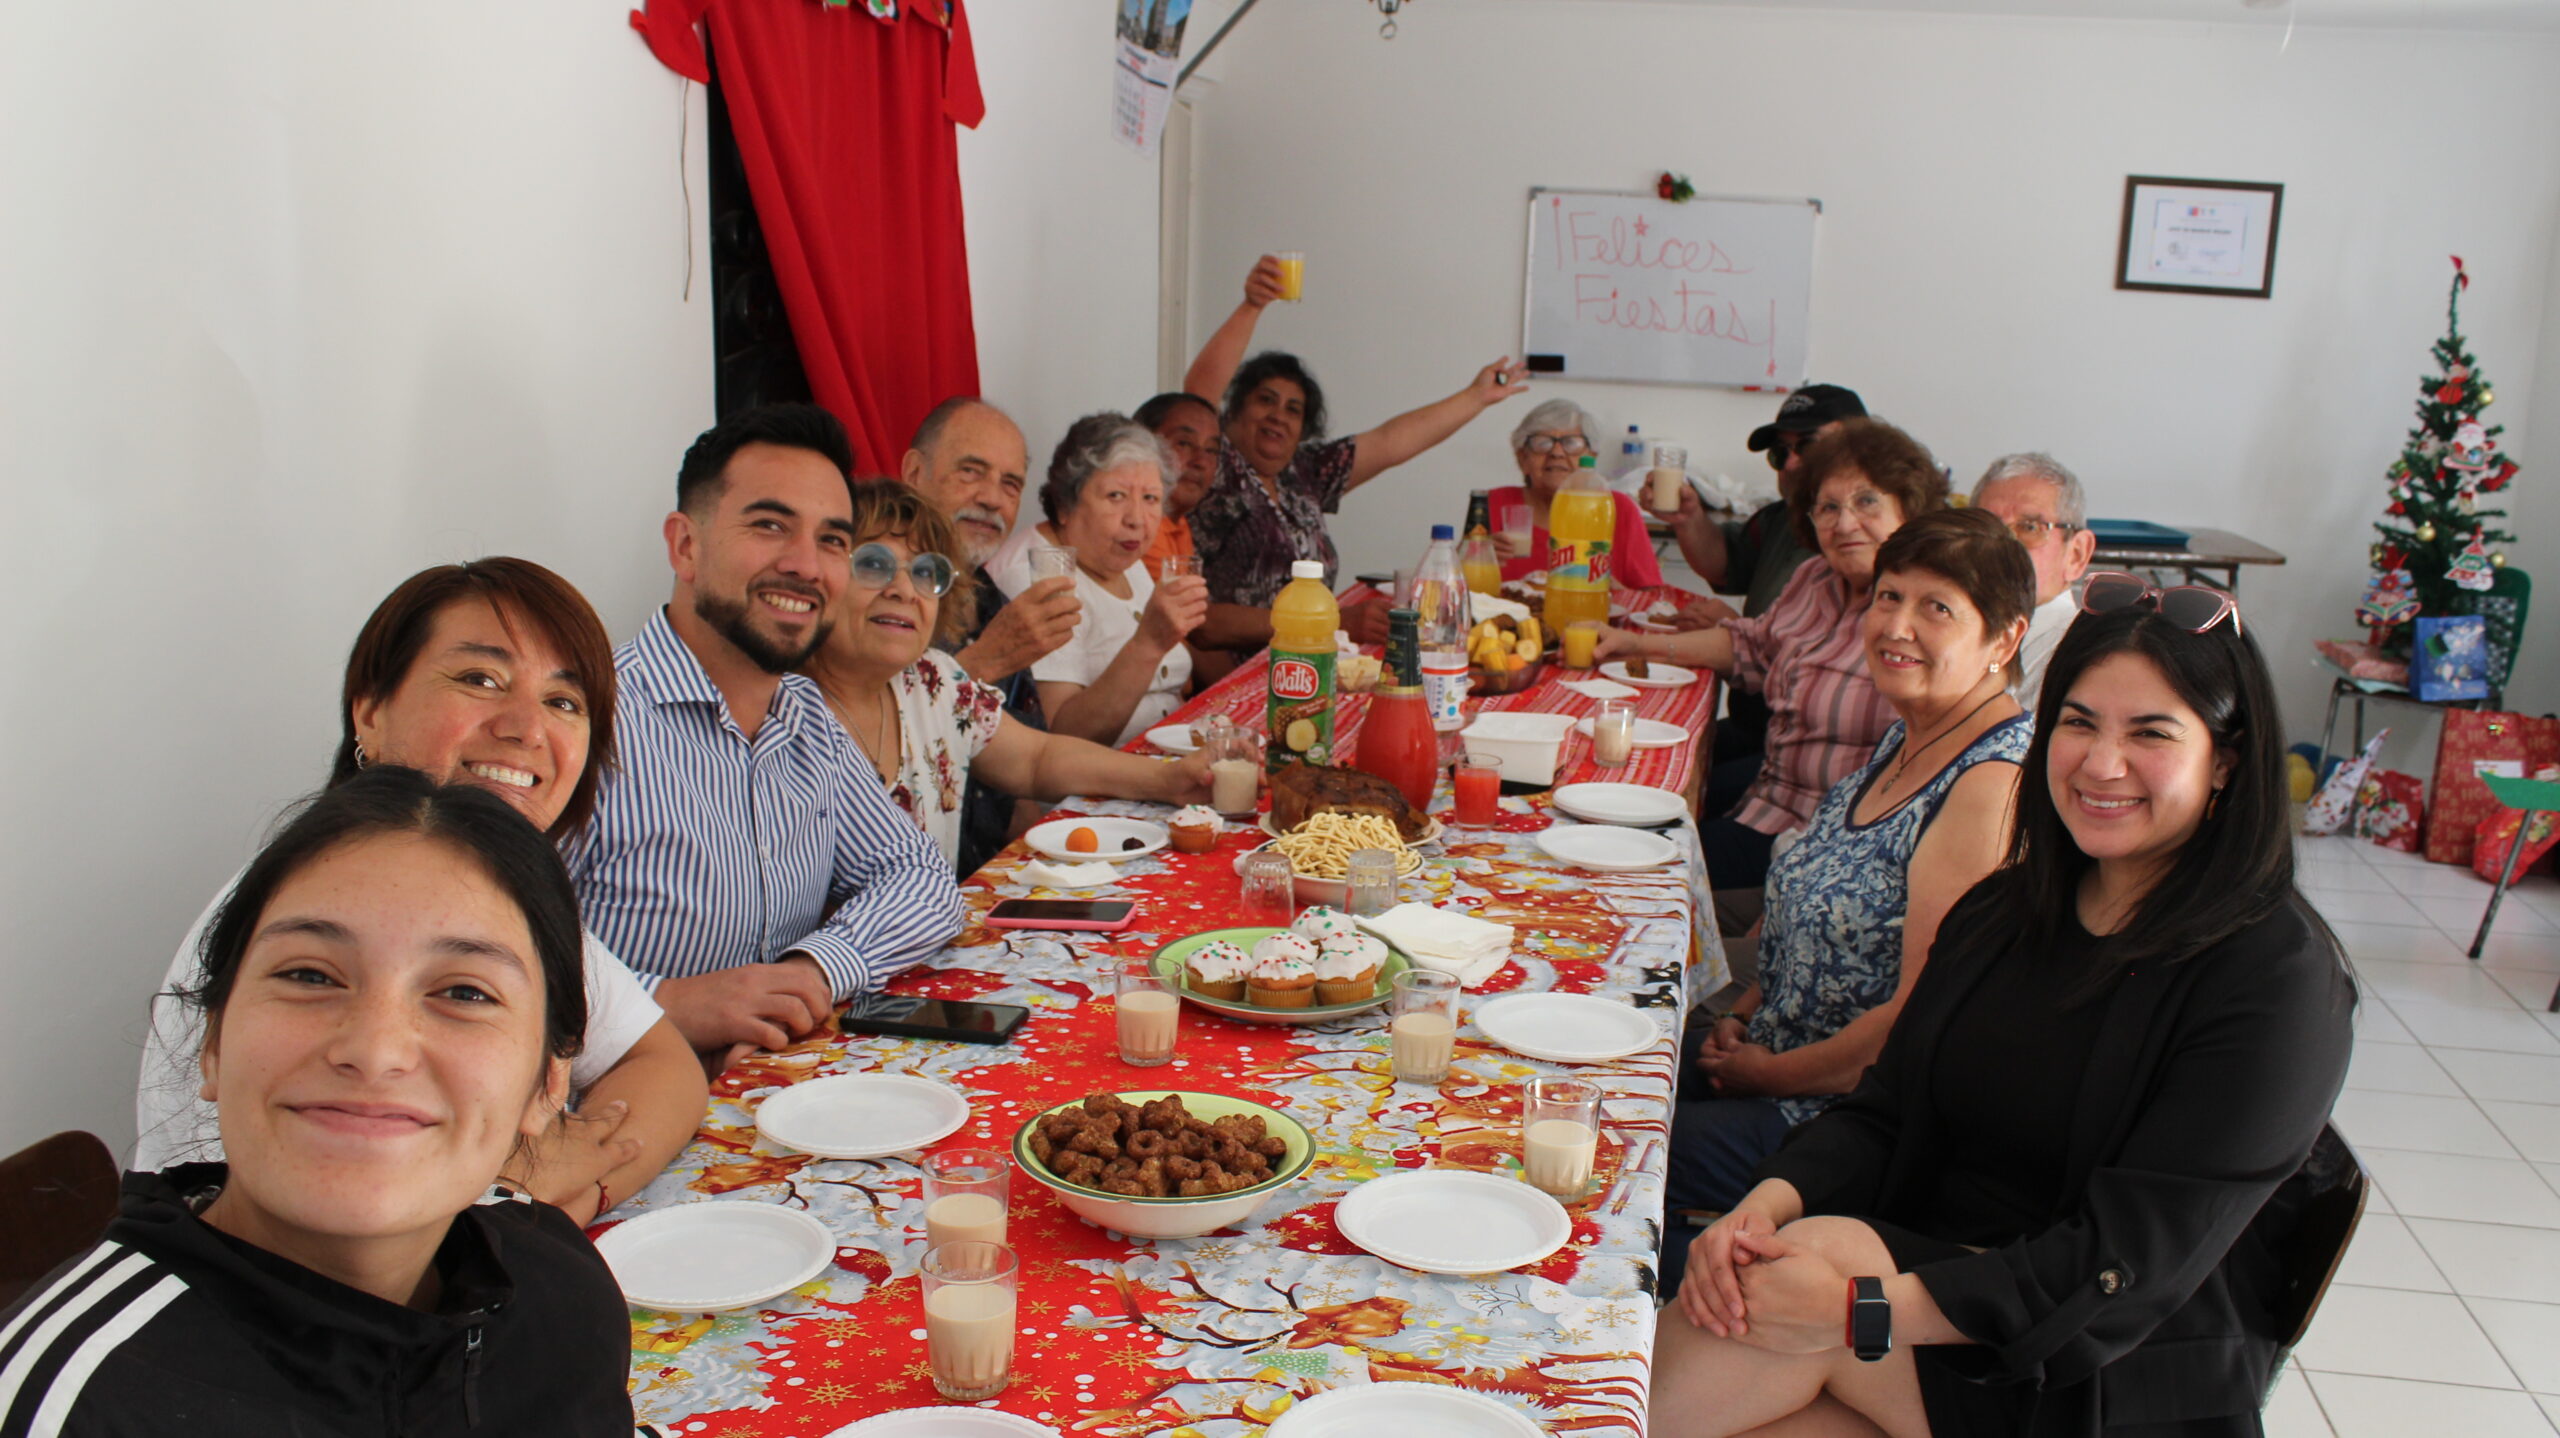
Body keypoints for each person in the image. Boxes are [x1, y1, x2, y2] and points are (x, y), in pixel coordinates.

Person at [1652, 585, 2355, 1438]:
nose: (2102, 763)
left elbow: (2124, 1268)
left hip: (2113, 1365)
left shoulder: (2276, 979)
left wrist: (1857, 1313)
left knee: (1808, 1278)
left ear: (2228, 762)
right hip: (1949, 1300)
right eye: (2079, 722)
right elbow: (1884, 1112)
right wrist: (1761, 1207)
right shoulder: (2008, 912)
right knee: (1782, 1285)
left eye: (2151, 734)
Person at [11, 769, 636, 1434]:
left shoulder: (558, 1294)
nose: (375, 1049)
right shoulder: (80, 1408)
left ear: (547, 1084)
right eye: (309, 975)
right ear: (213, 1043)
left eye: (465, 993)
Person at [134, 558, 705, 1224]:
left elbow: (665, 1065)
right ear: (370, 713)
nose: (526, 728)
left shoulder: (499, 898)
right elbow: (335, 1231)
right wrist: (524, 1185)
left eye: (564, 702)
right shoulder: (294, 908)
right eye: (480, 679)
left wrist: (562, 1182)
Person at [1662, 510, 2034, 1291]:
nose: (1897, 626)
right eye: (1889, 596)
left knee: (1611, 1157)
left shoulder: (1987, 787)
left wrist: (1769, 1074)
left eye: (1938, 608)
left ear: (2004, 640)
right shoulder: (1912, 734)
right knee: (1591, 1080)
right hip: (1772, 1051)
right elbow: (1809, 912)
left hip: (1846, 1124)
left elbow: (1913, 1022)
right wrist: (1739, 1013)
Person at [567, 403, 964, 1066]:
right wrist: (661, 1005)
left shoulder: (804, 714)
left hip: (776, 1103)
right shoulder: (585, 721)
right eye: (771, 526)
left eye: (833, 541)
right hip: (619, 1126)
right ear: (685, 545)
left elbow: (920, 877)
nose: (807, 567)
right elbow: (484, 955)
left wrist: (814, 972)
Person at [1595, 418, 1945, 890]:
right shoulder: (1815, 579)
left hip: (1816, 842)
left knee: (1625, 869)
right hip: (1765, 798)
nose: (1844, 524)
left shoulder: (1923, 613)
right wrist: (1636, 644)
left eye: (1866, 502)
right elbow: (1750, 646)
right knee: (1620, 804)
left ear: (1909, 506)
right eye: (1827, 507)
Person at [804, 484, 1220, 866]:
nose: (903, 590)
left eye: (927, 572)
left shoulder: (933, 679)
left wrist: (1170, 780)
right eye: (874, 565)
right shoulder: (786, 712)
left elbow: (1035, 759)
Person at [1180, 254, 1529, 643]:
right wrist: (1252, 306)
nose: (1279, 416)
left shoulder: (1304, 473)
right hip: (1239, 667)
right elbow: (1199, 395)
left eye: (1293, 410)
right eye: (1266, 400)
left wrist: (1476, 397)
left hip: (1316, 655)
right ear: (1235, 410)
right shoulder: (1217, 464)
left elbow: (1390, 442)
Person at [901, 396, 1082, 873]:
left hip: (985, 877)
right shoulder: (869, 593)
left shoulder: (988, 597)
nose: (991, 498)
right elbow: (881, 745)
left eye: (1010, 483)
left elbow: (1027, 766)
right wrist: (985, 661)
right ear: (915, 473)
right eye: (971, 472)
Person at [986, 413, 1210, 747]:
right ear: (1065, 503)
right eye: (1116, 496)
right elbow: (1060, 736)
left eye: (1150, 498)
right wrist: (1148, 643)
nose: (1137, 520)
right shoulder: (1037, 575)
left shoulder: (1119, 555)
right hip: (1094, 786)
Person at [1655, 382, 1869, 621]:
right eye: (1780, 452)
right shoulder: (1781, 518)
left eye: (1809, 447)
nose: (1790, 464)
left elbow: (1837, 652)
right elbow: (1725, 567)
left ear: (1859, 449)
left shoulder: (1876, 542)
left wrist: (1737, 635)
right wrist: (1688, 518)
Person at [1136, 389, 1268, 686]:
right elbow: (1200, 629)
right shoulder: (1142, 528)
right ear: (1141, 446)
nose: (1200, 461)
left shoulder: (1177, 521)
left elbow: (1193, 626)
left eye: (1211, 450)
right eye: (1184, 443)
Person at [1485, 397, 1666, 589]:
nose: (1557, 452)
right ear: (1522, 458)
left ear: (1591, 457)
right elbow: (1455, 584)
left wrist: (1610, 588)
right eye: (1542, 443)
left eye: (1571, 443)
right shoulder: (1494, 503)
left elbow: (1651, 599)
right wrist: (1476, 558)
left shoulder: (1617, 508)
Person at [1971, 451, 2098, 711]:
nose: (2004, 545)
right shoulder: (1964, 631)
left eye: (2029, 527)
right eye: (1987, 527)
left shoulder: (2075, 654)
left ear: (2077, 554)